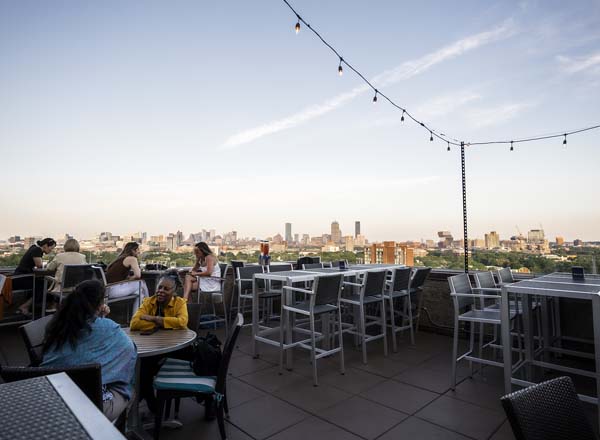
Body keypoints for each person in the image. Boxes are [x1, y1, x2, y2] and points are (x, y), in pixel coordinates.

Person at [41, 280, 137, 422]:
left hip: (53, 398)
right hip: (91, 406)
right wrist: (101, 319)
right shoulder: (108, 328)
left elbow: (83, 347)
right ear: (100, 304)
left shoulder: (57, 324)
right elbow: (129, 350)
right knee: (129, 388)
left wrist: (98, 317)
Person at [130, 272, 188, 415]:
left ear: (173, 291)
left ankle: (144, 400)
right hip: (154, 347)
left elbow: (182, 322)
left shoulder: (179, 303)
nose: (161, 291)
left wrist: (152, 319)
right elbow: (134, 323)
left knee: (144, 370)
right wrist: (164, 324)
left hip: (176, 348)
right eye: (159, 287)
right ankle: (150, 400)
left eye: (166, 289)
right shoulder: (148, 301)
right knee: (143, 367)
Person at [14, 238, 56, 316]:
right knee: (43, 285)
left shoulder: (34, 248)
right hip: (20, 279)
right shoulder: (37, 250)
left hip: (19, 277)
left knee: (41, 283)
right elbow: (39, 265)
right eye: (51, 248)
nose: (51, 250)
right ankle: (25, 307)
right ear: (45, 245)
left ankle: (30, 306)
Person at [44, 238, 87, 311]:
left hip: (61, 288)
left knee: (47, 280)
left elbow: (49, 268)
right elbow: (85, 268)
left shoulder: (59, 256)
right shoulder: (82, 257)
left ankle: (53, 305)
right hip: (76, 288)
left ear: (65, 246)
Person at [105, 241, 149, 312]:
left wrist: (128, 278)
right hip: (114, 290)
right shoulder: (132, 259)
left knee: (140, 292)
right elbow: (138, 275)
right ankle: (149, 308)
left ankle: (136, 318)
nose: (139, 252)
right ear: (132, 250)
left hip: (107, 290)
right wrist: (130, 279)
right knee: (142, 283)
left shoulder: (120, 258)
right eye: (138, 250)